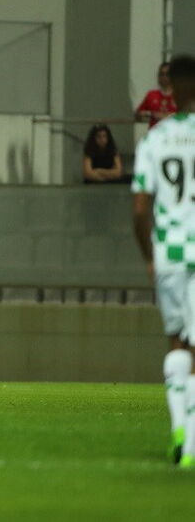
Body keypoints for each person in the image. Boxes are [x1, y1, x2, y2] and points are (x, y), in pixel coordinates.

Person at [132, 54, 195, 468]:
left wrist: (150, 258)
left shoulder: (155, 139)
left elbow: (140, 209)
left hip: (169, 254)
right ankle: (190, 444)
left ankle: (179, 427)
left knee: (177, 342)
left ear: (171, 88)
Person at [135, 61, 177, 129]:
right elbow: (138, 114)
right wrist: (151, 114)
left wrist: (165, 116)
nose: (164, 77)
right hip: (155, 136)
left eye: (167, 74)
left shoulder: (180, 96)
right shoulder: (151, 95)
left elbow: (187, 117)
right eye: (162, 74)